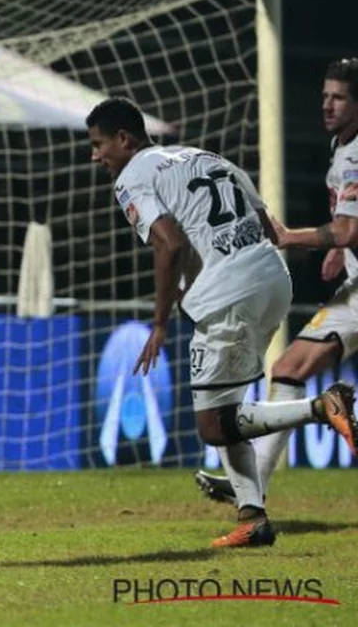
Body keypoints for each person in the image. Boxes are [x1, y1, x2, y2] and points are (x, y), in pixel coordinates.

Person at [86, 97, 357, 548]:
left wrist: (158, 323)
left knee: (213, 424)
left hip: (226, 290)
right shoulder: (208, 158)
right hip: (273, 278)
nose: (96, 156)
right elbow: (271, 228)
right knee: (228, 408)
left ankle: (322, 407)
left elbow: (168, 244)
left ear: (124, 139)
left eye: (99, 145)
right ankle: (252, 517)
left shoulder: (132, 177)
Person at [196, 58, 358, 505]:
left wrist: (292, 237)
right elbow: (348, 228)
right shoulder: (342, 145)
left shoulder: (356, 154)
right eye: (325, 95)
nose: (327, 104)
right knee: (288, 368)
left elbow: (347, 228)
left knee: (289, 368)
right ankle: (255, 486)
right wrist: (340, 248)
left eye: (339, 97)